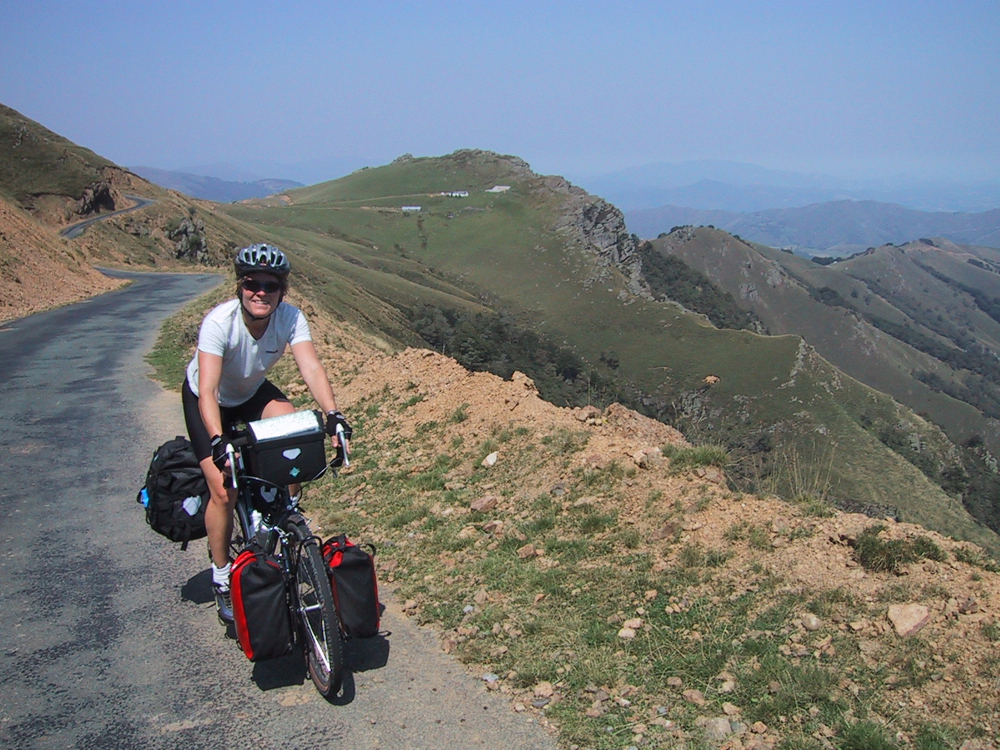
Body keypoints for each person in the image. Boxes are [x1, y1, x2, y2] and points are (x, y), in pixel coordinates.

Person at [182, 243, 351, 623]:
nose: (260, 292)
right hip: (208, 399)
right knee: (223, 490)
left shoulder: (290, 318)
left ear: (282, 291)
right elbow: (207, 389)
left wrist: (333, 414)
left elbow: (311, 367)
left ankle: (282, 516)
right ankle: (222, 575)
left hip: (250, 392)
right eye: (251, 283)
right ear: (240, 287)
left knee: (293, 432)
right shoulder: (219, 323)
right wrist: (217, 441)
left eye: (270, 285)